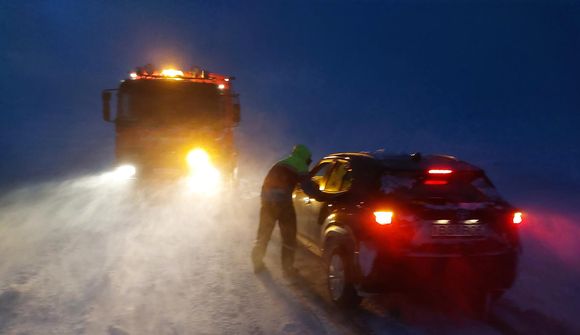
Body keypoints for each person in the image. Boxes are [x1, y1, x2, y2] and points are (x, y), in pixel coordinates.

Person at [251, 144, 326, 276]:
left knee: (264, 233)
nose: (308, 164)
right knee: (289, 236)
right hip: (283, 204)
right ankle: (287, 268)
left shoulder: (280, 163)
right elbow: (308, 187)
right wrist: (321, 195)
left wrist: (265, 201)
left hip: (267, 202)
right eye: (309, 161)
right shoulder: (300, 165)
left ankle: (257, 261)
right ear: (305, 158)